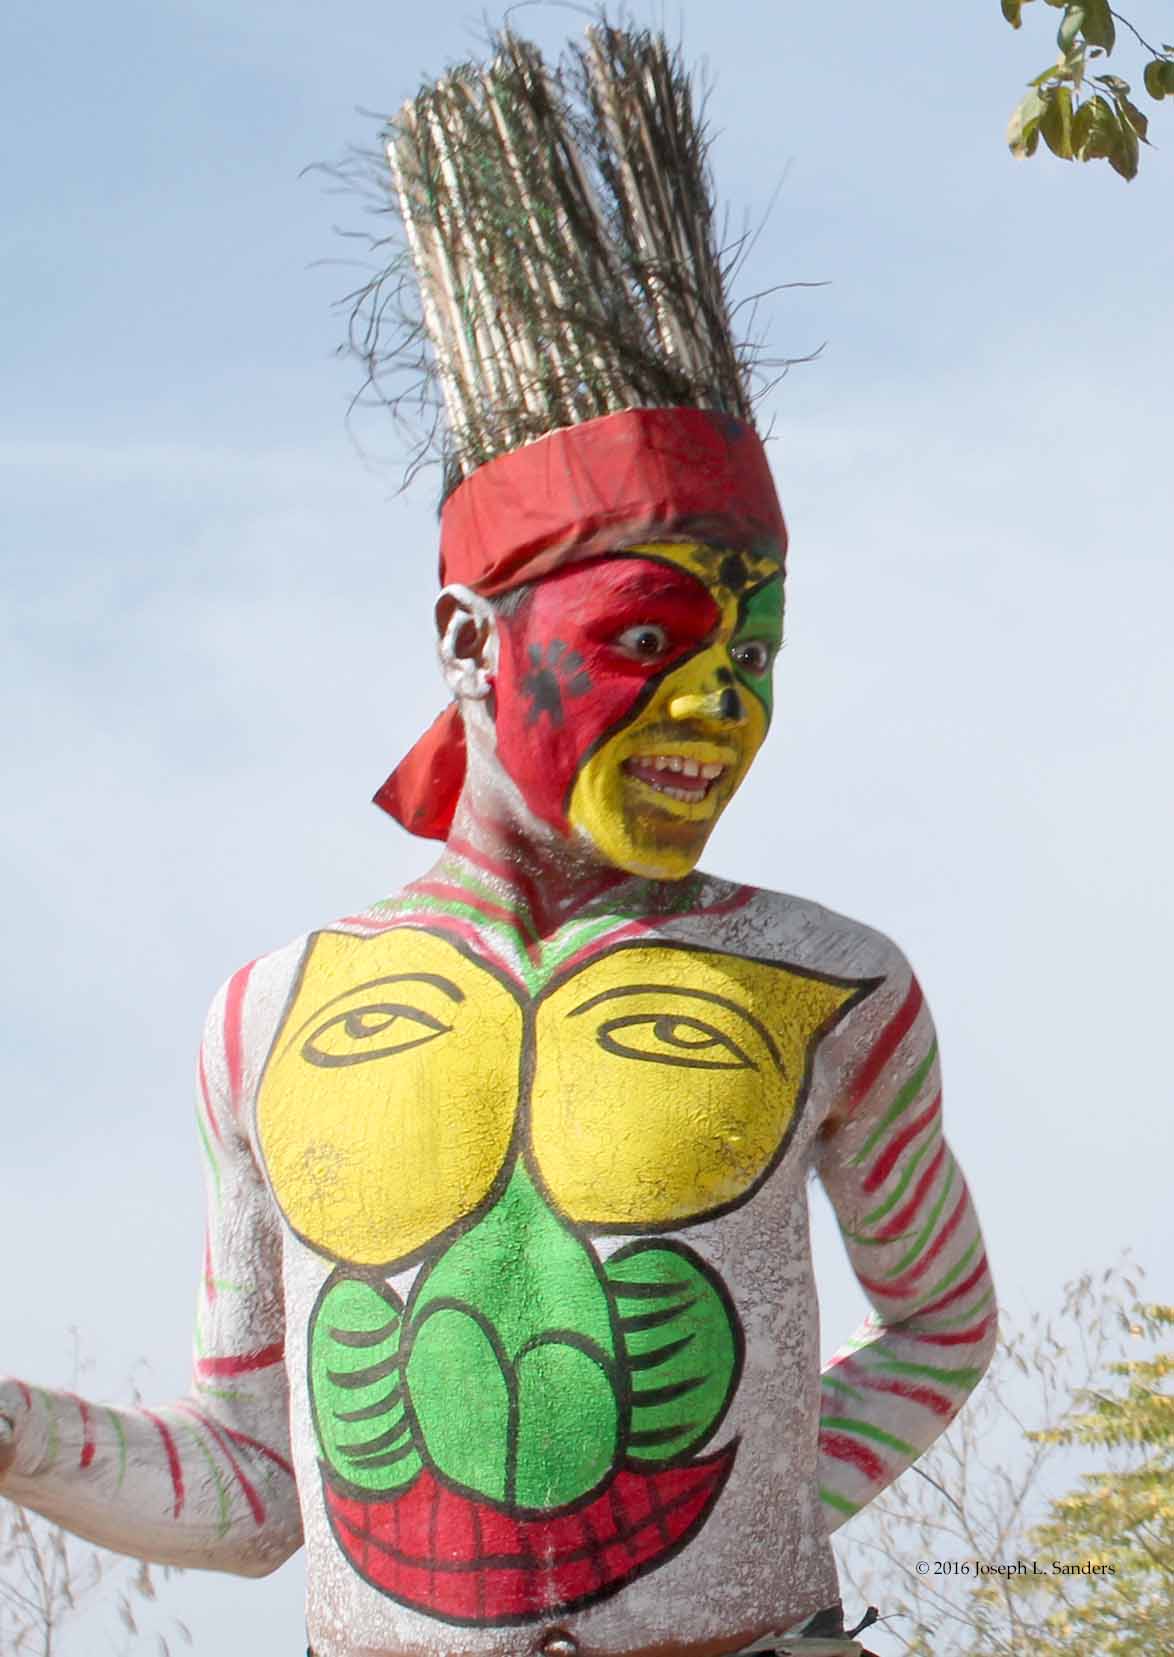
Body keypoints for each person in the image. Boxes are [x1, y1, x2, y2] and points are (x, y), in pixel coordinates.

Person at [0, 25, 996, 1657]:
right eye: (644, 642)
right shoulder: (267, 1019)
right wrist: (16, 1433)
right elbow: (258, 1488)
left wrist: (751, 1519)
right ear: (468, 637)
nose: (715, 709)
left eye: (754, 659)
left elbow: (941, 1324)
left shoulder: (828, 984)